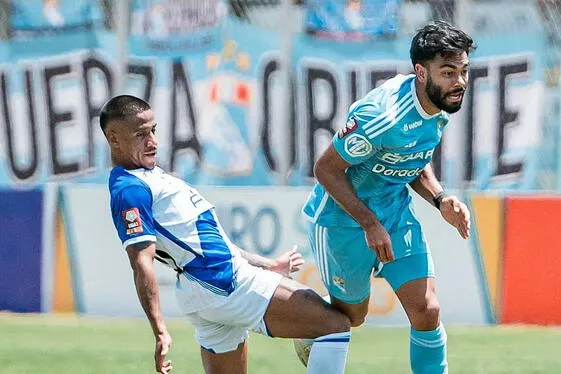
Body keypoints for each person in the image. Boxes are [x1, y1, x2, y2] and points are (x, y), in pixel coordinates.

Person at [100, 95, 351, 374]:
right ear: (113, 138)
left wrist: (267, 265)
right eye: (140, 134)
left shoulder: (151, 177)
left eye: (153, 131)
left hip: (205, 288)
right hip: (222, 283)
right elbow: (141, 262)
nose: (153, 141)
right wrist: (159, 331)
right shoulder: (129, 189)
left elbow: (205, 242)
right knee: (333, 325)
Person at [301, 21, 474, 374]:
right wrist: (369, 223)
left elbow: (412, 159)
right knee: (351, 317)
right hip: (342, 220)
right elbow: (326, 169)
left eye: (463, 71)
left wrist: (441, 200)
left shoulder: (439, 106)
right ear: (420, 72)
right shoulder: (381, 115)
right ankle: (306, 326)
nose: (459, 82)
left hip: (394, 214)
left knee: (427, 309)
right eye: (448, 72)